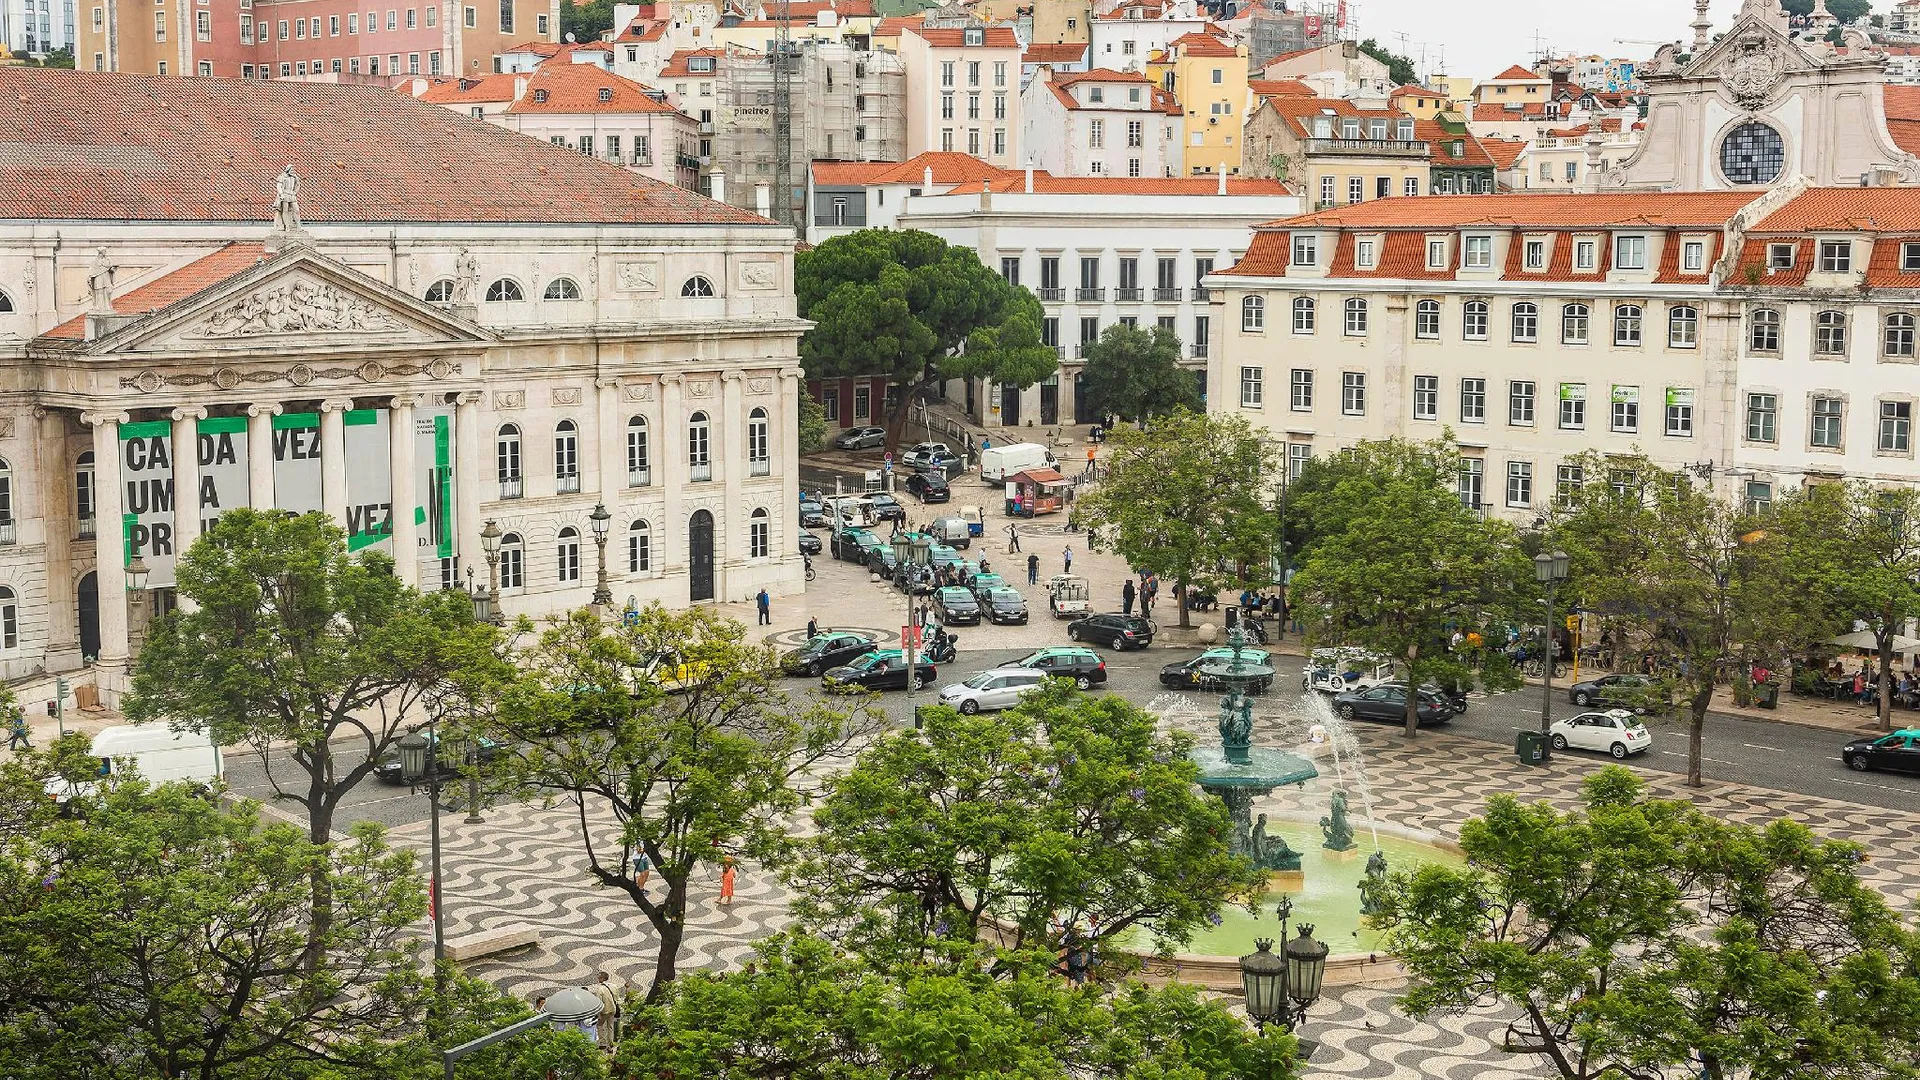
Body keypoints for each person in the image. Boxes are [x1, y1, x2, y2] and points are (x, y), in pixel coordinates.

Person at [590, 972, 622, 1050]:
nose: (598, 979)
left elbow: (599, 1002)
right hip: (613, 1009)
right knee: (610, 1025)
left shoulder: (600, 989)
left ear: (602, 978)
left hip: (605, 1010)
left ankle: (602, 1042)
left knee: (600, 1024)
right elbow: (618, 998)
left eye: (599, 978)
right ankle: (610, 1042)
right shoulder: (614, 986)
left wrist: (598, 1014)